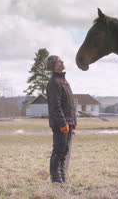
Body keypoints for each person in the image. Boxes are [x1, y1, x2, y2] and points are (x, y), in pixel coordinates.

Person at [45, 55, 77, 183]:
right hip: (60, 123)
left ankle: (62, 176)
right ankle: (56, 178)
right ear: (53, 65)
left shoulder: (64, 81)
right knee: (58, 150)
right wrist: (63, 123)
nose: (62, 62)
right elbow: (55, 106)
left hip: (68, 122)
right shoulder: (53, 82)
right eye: (59, 61)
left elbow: (70, 104)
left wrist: (73, 121)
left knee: (64, 150)